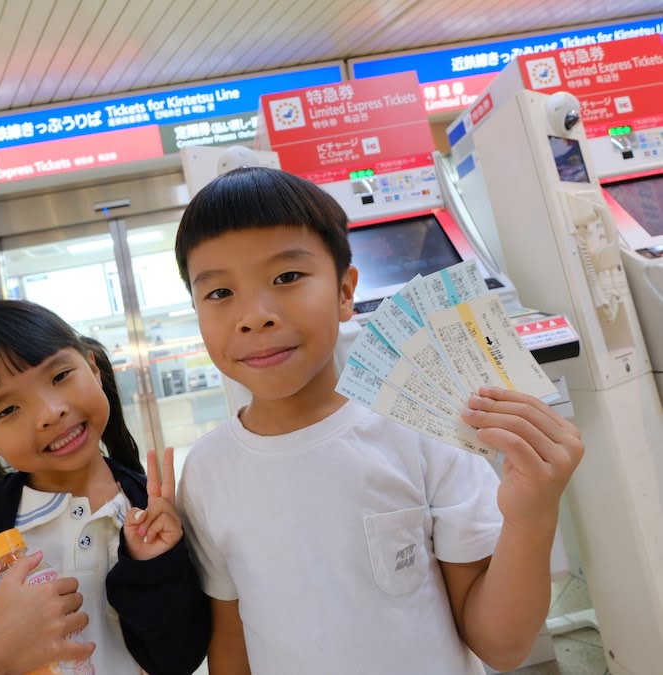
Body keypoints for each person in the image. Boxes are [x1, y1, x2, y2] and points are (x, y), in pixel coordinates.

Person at [173, 167, 584, 675]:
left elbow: (501, 646)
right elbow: (230, 645)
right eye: (218, 294)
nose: (254, 315)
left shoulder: (427, 433)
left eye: (286, 277)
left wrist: (533, 515)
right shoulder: (207, 471)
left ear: (346, 292)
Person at [0, 300, 210, 675]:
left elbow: (180, 658)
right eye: (7, 410)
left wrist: (153, 570)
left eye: (59, 376)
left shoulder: (151, 508)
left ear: (92, 368)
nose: (50, 413)